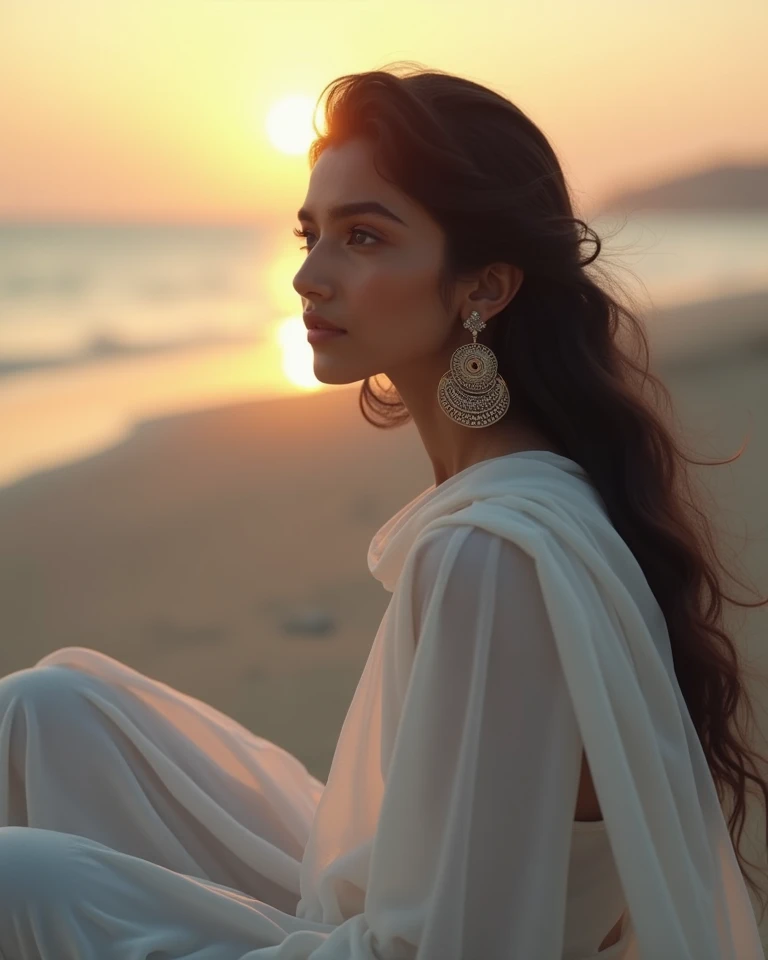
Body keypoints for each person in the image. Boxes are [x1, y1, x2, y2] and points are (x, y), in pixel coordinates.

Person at [0, 62, 766, 960]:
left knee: (18, 880)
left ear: (485, 288)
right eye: (310, 233)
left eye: (363, 238)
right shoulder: (521, 492)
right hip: (407, 906)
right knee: (45, 711)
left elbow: (447, 948)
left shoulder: (492, 557)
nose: (308, 277)